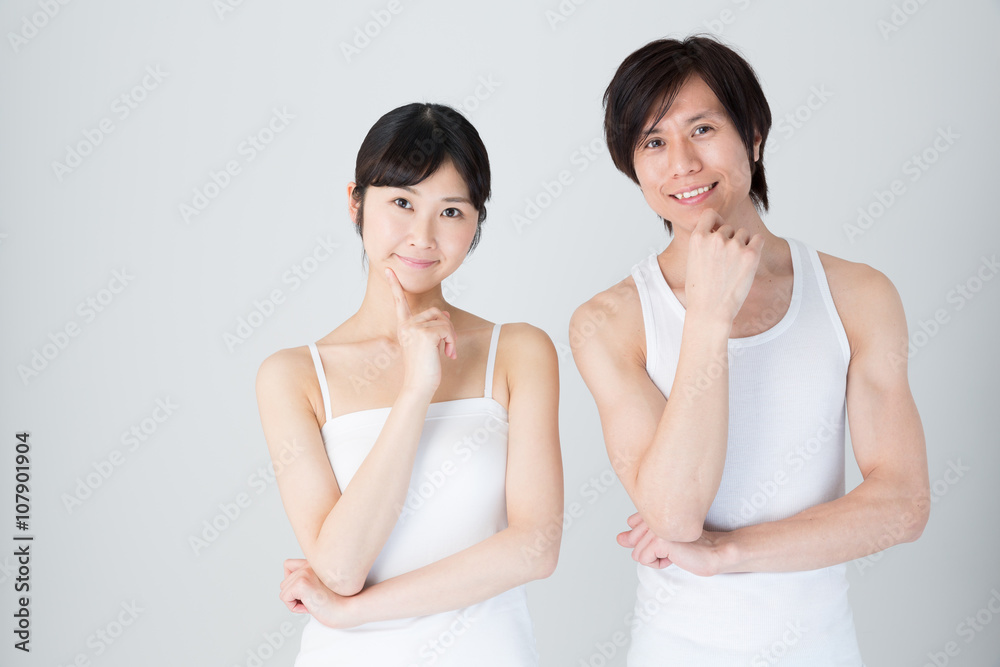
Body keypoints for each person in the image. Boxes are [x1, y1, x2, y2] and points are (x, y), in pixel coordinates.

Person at [569, 35, 929, 665]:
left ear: (754, 135)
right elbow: (676, 516)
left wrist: (729, 551)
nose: (680, 162)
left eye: (702, 128)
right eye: (653, 142)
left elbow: (902, 504)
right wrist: (707, 317)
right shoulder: (608, 322)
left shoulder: (858, 295)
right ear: (633, 165)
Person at [254, 102, 562, 666]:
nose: (422, 237)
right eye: (401, 203)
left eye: (451, 211)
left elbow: (536, 548)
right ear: (355, 201)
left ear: (475, 223)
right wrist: (416, 390)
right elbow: (340, 569)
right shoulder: (294, 377)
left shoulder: (519, 352)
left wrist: (353, 611)